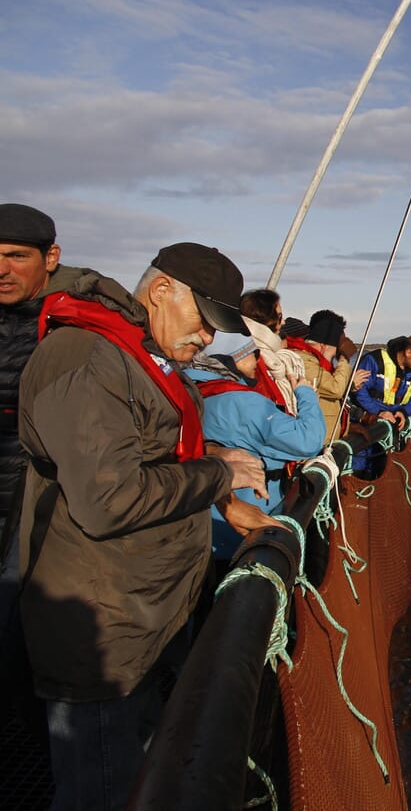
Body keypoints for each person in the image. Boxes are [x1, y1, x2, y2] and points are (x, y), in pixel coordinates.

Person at [16, 241, 272, 810]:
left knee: (144, 775)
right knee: (101, 791)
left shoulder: (143, 355)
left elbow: (163, 454)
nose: (208, 339)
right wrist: (217, 475)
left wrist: (226, 501)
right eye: (205, 322)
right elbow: (111, 500)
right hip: (102, 634)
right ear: (162, 291)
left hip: (146, 616)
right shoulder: (88, 359)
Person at [0, 204, 98, 752]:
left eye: (17, 256)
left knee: (19, 631)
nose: (2, 269)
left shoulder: (74, 323)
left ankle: (41, 745)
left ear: (50, 258)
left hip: (38, 499)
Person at [187, 344, 325, 559]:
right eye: (254, 354)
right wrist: (305, 393)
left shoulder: (188, 391)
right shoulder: (243, 402)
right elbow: (308, 440)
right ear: (233, 359)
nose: (259, 361)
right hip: (242, 534)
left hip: (198, 532)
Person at [288, 309, 364, 442]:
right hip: (314, 445)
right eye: (335, 352)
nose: (334, 357)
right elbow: (335, 389)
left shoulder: (316, 361)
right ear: (324, 347)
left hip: (326, 441)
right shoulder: (303, 361)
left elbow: (327, 388)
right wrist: (344, 358)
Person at [353, 334, 411, 431]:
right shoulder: (375, 360)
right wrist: (378, 412)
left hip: (398, 418)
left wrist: (404, 412)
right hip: (370, 417)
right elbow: (360, 390)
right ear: (408, 352)